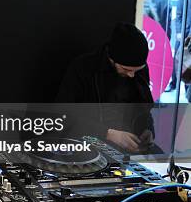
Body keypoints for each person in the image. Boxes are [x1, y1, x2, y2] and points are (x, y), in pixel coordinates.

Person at [56, 22, 157, 153]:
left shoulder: (138, 71)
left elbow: (143, 108)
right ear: (112, 58)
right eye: (126, 69)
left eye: (137, 70)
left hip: (128, 150)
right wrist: (108, 133)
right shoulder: (83, 69)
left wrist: (148, 129)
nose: (132, 75)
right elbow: (64, 116)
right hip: (88, 148)